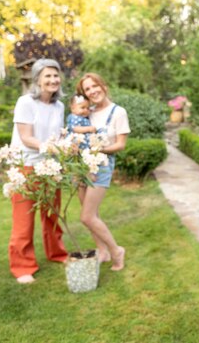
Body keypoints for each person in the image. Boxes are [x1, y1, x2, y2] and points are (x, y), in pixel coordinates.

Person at [9, 58, 68, 284]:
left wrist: (64, 148)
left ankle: (57, 253)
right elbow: (26, 137)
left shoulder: (59, 105)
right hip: (26, 166)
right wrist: (51, 147)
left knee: (52, 215)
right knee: (24, 218)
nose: (53, 80)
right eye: (48, 76)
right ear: (37, 80)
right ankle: (22, 266)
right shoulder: (25, 102)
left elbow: (58, 135)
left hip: (51, 167)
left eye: (56, 75)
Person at [75, 73, 128, 271]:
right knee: (92, 213)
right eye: (87, 89)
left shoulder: (118, 112)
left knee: (87, 217)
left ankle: (116, 250)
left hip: (101, 166)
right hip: (81, 167)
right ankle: (102, 251)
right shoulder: (87, 113)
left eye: (94, 86)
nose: (92, 91)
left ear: (103, 85)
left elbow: (120, 145)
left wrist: (99, 150)